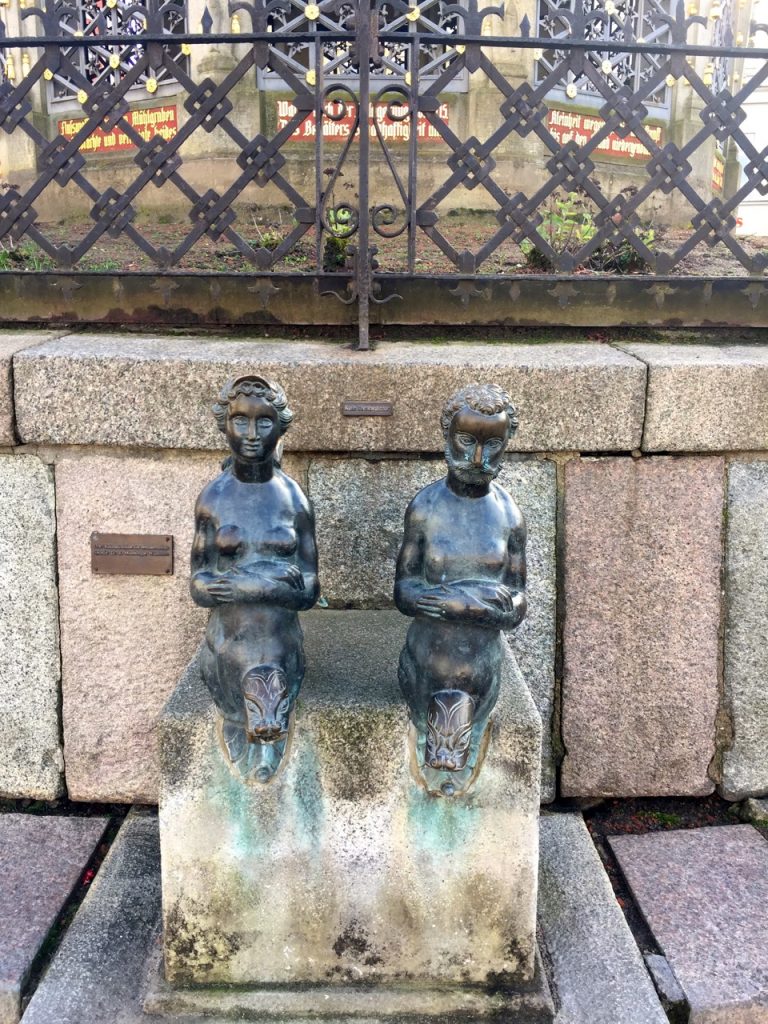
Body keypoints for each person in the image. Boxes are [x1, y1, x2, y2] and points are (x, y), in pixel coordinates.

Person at [394, 383, 526, 793]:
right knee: (441, 678)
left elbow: (518, 598)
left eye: (492, 446)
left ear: (507, 445)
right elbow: (404, 590)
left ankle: (455, 742)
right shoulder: (425, 508)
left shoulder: (509, 516)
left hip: (480, 658)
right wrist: (454, 601)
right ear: (448, 438)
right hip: (430, 653)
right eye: (467, 441)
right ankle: (439, 740)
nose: (477, 458)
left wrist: (485, 609)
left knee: (469, 680)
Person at [190, 374, 319, 782]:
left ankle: (270, 721)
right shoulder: (213, 498)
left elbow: (311, 587)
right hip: (229, 643)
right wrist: (273, 580)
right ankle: (236, 715)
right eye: (240, 421)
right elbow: (199, 584)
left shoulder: (293, 499)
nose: (251, 434)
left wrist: (251, 584)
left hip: (279, 643)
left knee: (272, 687)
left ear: (280, 428)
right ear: (224, 426)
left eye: (264, 422)